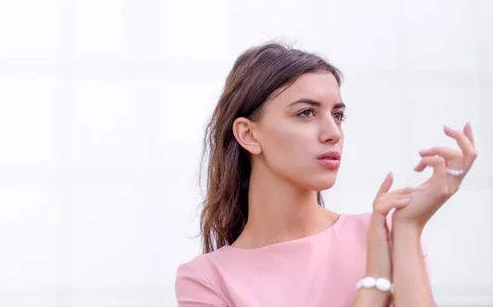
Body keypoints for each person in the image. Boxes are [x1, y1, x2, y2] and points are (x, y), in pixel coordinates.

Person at [174, 43, 478, 307]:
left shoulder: (391, 232)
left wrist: (409, 228)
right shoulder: (207, 280)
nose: (333, 133)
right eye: (306, 113)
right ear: (249, 135)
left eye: (338, 115)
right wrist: (374, 289)